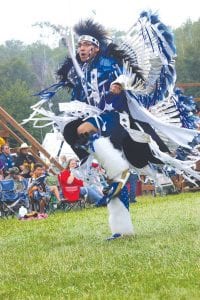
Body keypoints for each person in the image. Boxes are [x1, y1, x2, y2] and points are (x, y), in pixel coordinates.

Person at [29, 12, 200, 239]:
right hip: (99, 119)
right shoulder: (82, 72)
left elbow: (126, 76)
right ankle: (122, 228)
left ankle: (108, 164)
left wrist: (120, 84)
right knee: (77, 136)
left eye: (87, 44)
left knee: (83, 130)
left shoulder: (109, 63)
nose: (81, 48)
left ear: (96, 47)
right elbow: (80, 99)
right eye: (79, 45)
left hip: (115, 119)